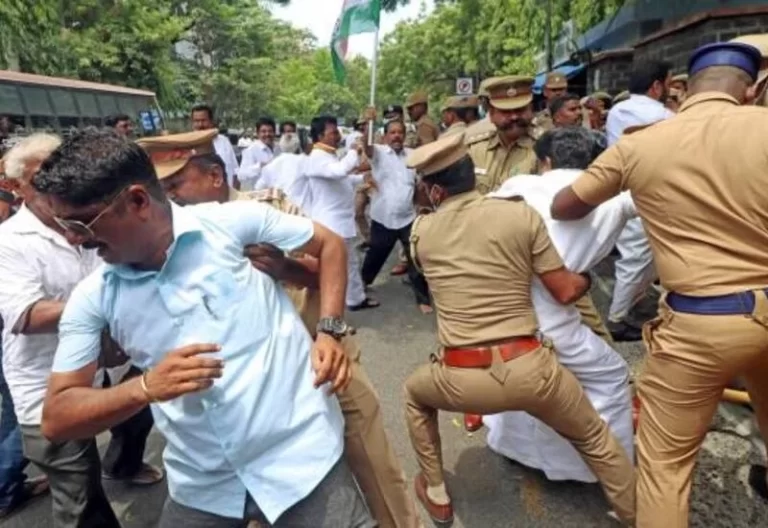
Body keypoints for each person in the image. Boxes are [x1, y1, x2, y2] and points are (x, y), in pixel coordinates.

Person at [35, 128, 375, 528]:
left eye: (82, 224)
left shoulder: (232, 223)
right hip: (203, 487)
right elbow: (57, 417)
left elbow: (330, 245)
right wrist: (145, 388)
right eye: (63, 225)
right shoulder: (94, 297)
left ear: (138, 201)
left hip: (303, 462)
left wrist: (329, 330)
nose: (74, 239)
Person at [146, 130, 422, 527]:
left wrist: (286, 271)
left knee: (373, 464)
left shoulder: (269, 207)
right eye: (163, 189)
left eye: (176, 185)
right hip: (244, 397)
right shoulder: (166, 238)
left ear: (214, 177)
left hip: (319, 365)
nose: (170, 198)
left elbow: (327, 264)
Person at [551, 42, 768, 528]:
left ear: (682, 89)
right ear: (750, 90)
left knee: (665, 466)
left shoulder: (643, 143)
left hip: (701, 324)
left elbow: (566, 204)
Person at [403, 132, 635, 526]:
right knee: (595, 438)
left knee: (413, 396)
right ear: (471, 176)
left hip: (461, 378)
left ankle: (437, 492)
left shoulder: (421, 233)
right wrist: (586, 282)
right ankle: (640, 515)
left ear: (435, 190)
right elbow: (563, 289)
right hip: (532, 369)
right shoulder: (519, 213)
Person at [0, 134, 163, 527]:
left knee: (138, 418)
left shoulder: (92, 215)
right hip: (48, 384)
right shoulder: (9, 242)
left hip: (114, 365)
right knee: (80, 498)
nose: (58, 178)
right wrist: (103, 307)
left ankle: (123, 465)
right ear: (18, 186)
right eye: (44, 174)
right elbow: (26, 315)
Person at [483, 126, 634, 484]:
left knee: (520, 384)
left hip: (502, 316)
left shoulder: (515, 188)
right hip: (555, 320)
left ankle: (517, 449)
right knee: (611, 377)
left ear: (544, 161)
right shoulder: (615, 199)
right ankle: (597, 467)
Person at [604, 60, 674, 342]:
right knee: (638, 258)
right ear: (656, 86)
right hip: (653, 195)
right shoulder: (666, 116)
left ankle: (632, 308)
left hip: (625, 190)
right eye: (668, 83)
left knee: (640, 257)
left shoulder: (616, 111)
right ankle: (617, 319)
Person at [358, 117, 432, 314]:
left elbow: (419, 181)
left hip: (408, 217)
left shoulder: (413, 155)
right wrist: (368, 124)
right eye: (393, 132)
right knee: (375, 255)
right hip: (383, 218)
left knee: (415, 258)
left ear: (405, 136)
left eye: (400, 132)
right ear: (385, 136)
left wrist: (421, 205)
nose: (397, 136)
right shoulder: (379, 153)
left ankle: (422, 299)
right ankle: (361, 286)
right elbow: (366, 147)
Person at [304, 115, 378, 311]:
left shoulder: (327, 156)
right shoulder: (317, 158)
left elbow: (342, 180)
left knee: (348, 264)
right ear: (321, 136)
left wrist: (364, 178)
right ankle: (333, 308)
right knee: (337, 268)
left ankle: (354, 299)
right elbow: (340, 172)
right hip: (332, 224)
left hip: (338, 222)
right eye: (333, 132)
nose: (337, 136)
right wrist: (353, 152)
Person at [466, 75, 538, 194]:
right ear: (491, 114)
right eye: (505, 112)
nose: (514, 117)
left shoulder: (546, 147)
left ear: (531, 109)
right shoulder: (476, 149)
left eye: (520, 110)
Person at [191, 104, 239, 187]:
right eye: (196, 121)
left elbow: (235, 172)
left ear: (211, 121)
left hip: (227, 195)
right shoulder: (187, 144)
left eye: (203, 120)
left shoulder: (223, 141)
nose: (200, 125)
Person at [239, 117, 278, 191]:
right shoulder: (251, 150)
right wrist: (259, 166)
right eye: (263, 131)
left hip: (277, 194)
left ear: (274, 132)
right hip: (258, 196)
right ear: (257, 133)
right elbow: (241, 175)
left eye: (270, 131)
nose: (267, 134)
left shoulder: (279, 149)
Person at [532, 71, 569, 138]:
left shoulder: (576, 115)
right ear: (545, 91)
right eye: (553, 90)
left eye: (561, 89)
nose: (558, 93)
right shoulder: (537, 120)